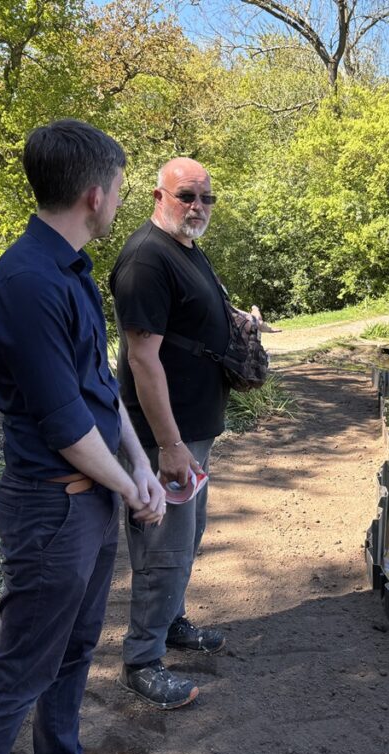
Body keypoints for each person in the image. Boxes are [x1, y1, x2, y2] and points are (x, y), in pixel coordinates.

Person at [0, 119, 166, 754]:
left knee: (76, 654)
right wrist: (131, 487)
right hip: (52, 512)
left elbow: (100, 390)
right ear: (95, 196)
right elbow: (64, 424)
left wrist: (141, 465)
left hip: (93, 505)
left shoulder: (71, 270)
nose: (121, 198)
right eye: (122, 187)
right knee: (19, 675)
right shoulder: (25, 282)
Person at [110, 157, 252, 709]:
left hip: (194, 430)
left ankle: (170, 624)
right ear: (159, 195)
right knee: (163, 548)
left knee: (187, 538)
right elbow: (142, 359)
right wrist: (167, 446)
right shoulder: (146, 258)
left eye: (206, 198)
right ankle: (141, 660)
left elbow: (197, 317)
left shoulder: (186, 249)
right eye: (186, 196)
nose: (198, 207)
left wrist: (240, 321)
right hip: (163, 437)